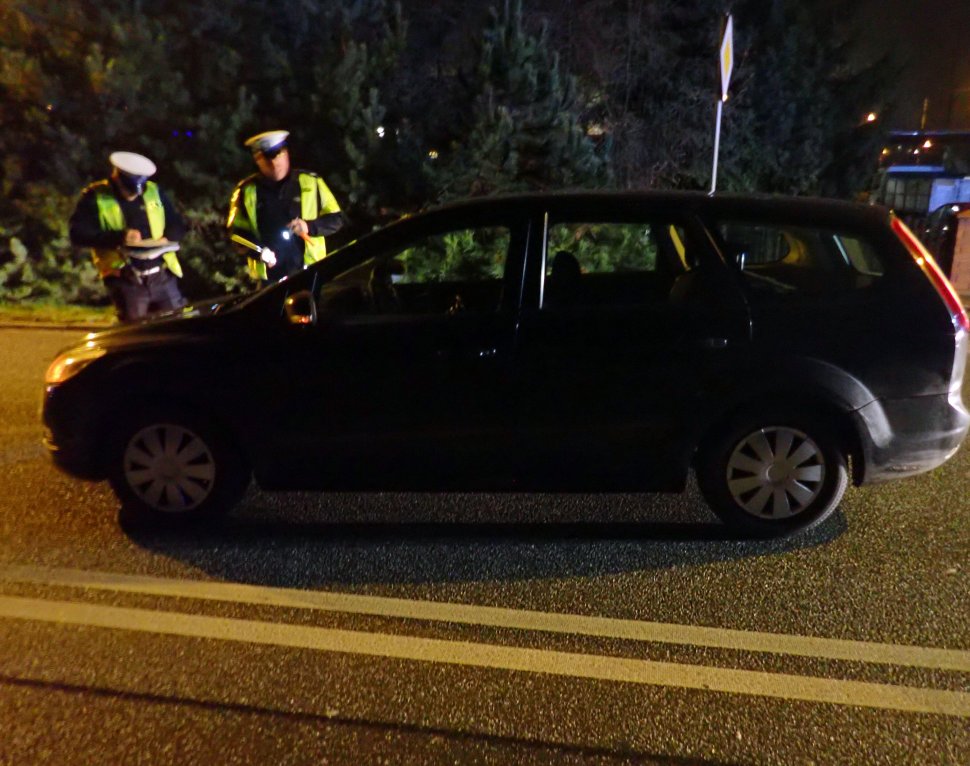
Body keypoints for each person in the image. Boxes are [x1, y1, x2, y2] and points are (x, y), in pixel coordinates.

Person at [69, 151, 188, 322]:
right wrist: (119, 237)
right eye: (128, 190)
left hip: (162, 277)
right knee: (136, 336)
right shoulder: (95, 197)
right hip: (126, 280)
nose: (133, 196)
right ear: (117, 178)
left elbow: (177, 224)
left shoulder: (154, 192)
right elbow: (78, 234)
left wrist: (166, 238)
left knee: (176, 330)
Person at [226, 130, 344, 285]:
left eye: (277, 155)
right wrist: (259, 251)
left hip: (311, 271)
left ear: (286, 153)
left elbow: (336, 218)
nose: (274, 164)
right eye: (267, 159)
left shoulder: (311, 182)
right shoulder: (246, 191)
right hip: (270, 280)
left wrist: (308, 226)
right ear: (257, 159)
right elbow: (236, 235)